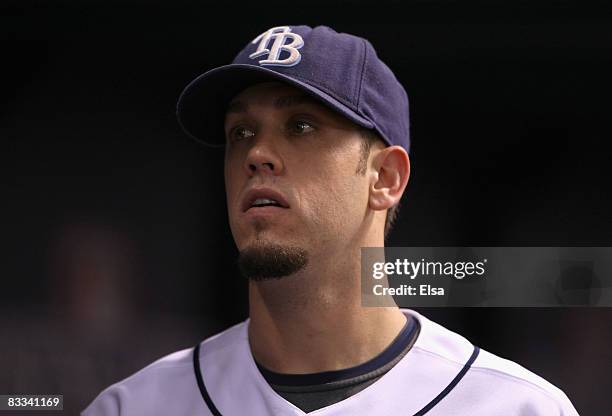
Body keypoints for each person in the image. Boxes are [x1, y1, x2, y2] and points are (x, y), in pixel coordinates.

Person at [82, 25, 578, 415]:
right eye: (241, 132)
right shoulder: (133, 406)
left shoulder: (517, 407)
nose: (258, 154)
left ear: (385, 177)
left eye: (300, 126)